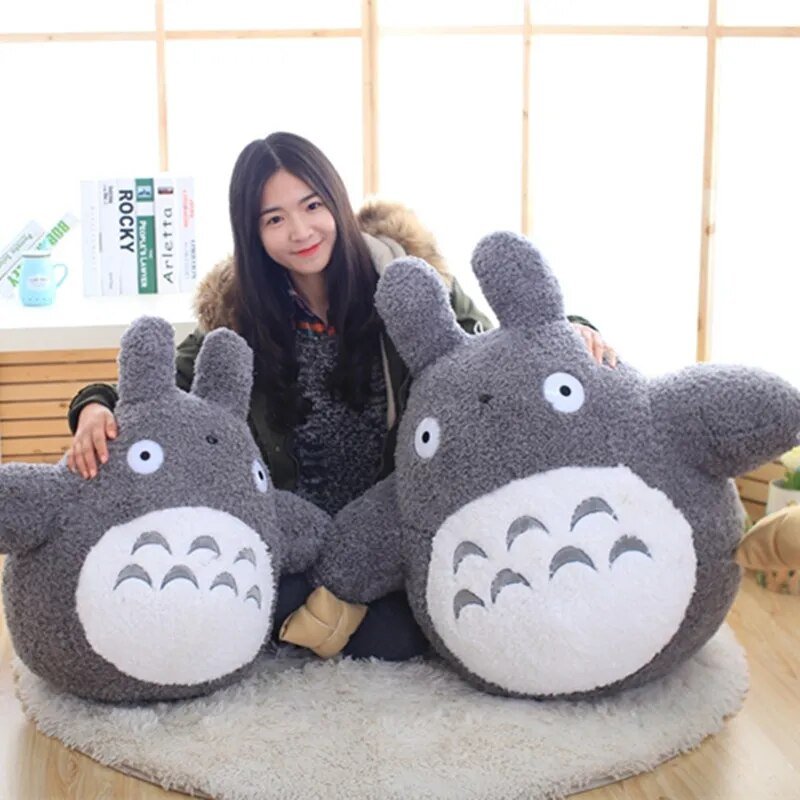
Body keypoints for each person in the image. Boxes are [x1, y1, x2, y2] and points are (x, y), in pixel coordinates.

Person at [66, 131, 616, 659]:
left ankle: (330, 614)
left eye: (311, 206)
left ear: (336, 201)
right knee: (238, 602)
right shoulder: (240, 312)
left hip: (394, 520)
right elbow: (171, 381)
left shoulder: (408, 281)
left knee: (400, 638)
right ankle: (318, 608)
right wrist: (95, 404)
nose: (300, 231)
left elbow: (494, 346)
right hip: (293, 528)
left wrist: (570, 328)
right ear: (252, 232)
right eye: (274, 219)